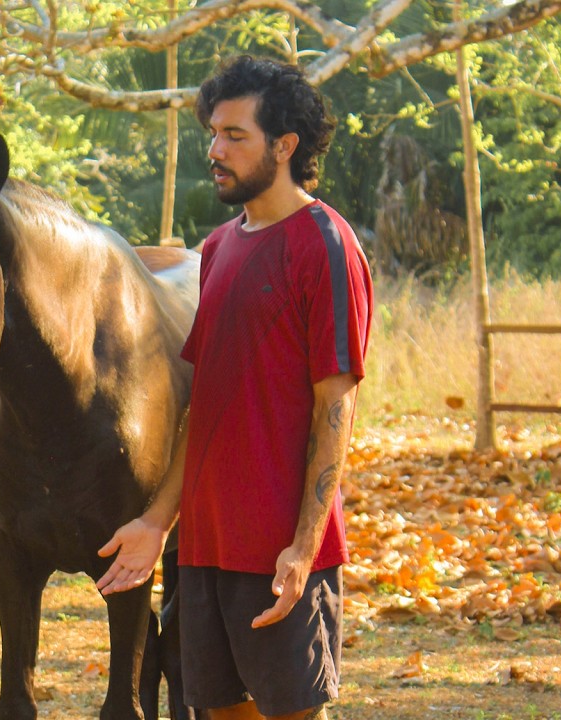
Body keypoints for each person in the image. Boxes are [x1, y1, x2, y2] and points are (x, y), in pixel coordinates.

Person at [96, 55, 373, 720]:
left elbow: (336, 403)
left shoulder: (324, 243)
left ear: (285, 146)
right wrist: (158, 523)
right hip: (208, 550)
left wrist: (304, 548)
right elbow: (209, 410)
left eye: (234, 136)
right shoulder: (218, 248)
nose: (215, 151)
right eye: (212, 134)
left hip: (278, 551)